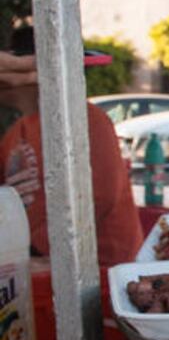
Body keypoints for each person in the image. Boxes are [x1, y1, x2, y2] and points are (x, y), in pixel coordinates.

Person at [0, 27, 142, 267]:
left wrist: (36, 249)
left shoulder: (84, 119)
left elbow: (98, 196)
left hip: (99, 266)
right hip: (41, 260)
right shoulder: (15, 133)